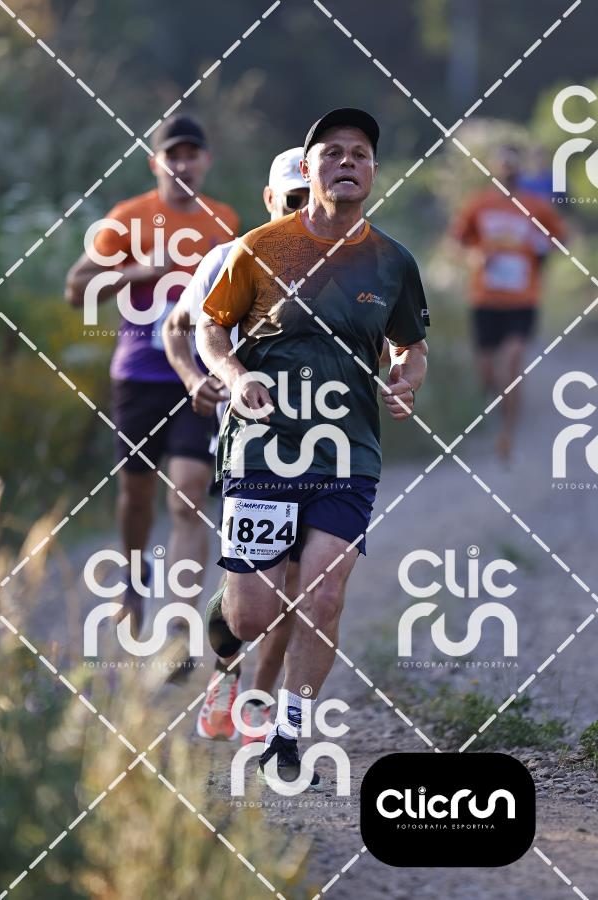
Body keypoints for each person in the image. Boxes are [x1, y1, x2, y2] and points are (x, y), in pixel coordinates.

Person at [196, 108, 429, 787]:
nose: (347, 161)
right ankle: (226, 656)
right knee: (253, 614)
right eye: (333, 152)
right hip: (264, 449)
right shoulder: (260, 247)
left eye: (360, 153)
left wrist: (405, 382)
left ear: (374, 171)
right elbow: (210, 329)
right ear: (310, 168)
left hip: (346, 451)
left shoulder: (393, 261)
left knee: (323, 594)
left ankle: (289, 731)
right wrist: (233, 376)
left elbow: (411, 347)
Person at [65, 115, 239, 640]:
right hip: (139, 376)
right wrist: (136, 272)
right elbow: (76, 289)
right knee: (137, 494)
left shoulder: (224, 219)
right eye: (173, 155)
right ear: (155, 163)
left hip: (199, 376)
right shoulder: (129, 217)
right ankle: (134, 579)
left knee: (188, 494)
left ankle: (180, 631)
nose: (182, 164)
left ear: (206, 161)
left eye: (192, 154)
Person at [162, 148, 309, 741]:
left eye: (314, 199)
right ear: (269, 200)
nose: (304, 211)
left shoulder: (354, 264)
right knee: (253, 594)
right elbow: (178, 327)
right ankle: (226, 670)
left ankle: (256, 704)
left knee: (298, 585)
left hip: (326, 447)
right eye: (293, 199)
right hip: (252, 448)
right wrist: (194, 379)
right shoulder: (229, 258)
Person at [451, 144, 566, 460]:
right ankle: (490, 420)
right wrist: (474, 256)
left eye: (512, 165)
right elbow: (456, 242)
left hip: (522, 299)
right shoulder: (478, 204)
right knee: (488, 374)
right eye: (502, 165)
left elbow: (560, 238)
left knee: (512, 362)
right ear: (493, 168)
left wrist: (541, 251)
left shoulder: (536, 206)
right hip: (485, 299)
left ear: (519, 169)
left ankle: (507, 435)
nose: (507, 170)